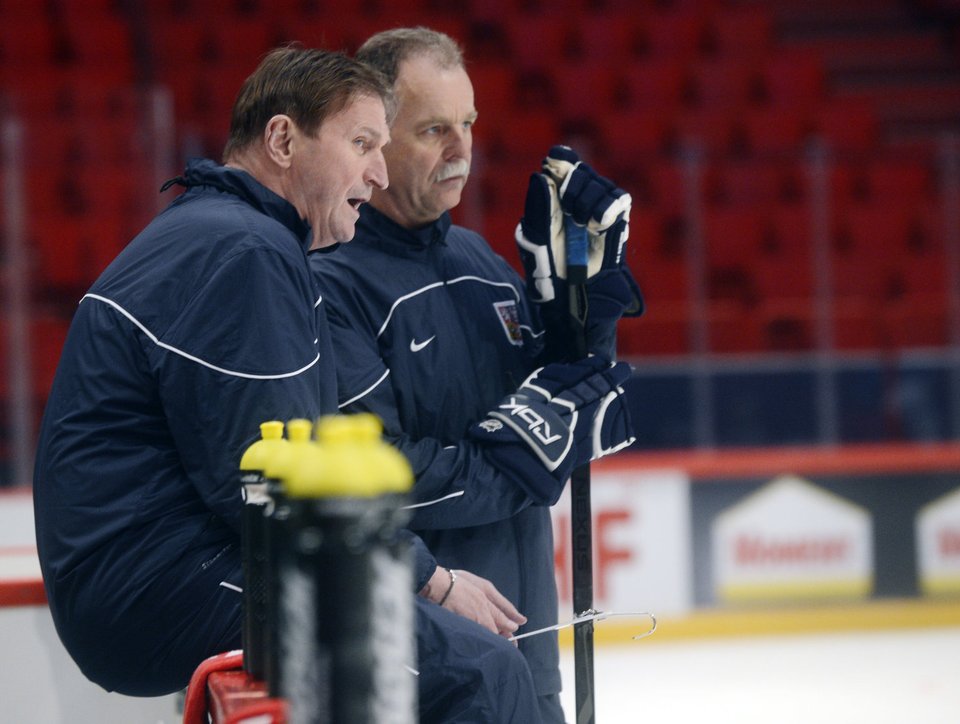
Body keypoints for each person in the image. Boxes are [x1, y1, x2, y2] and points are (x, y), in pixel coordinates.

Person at [33, 45, 543, 722]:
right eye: (362, 142)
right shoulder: (243, 250)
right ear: (282, 139)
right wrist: (430, 579)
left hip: (141, 582)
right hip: (157, 588)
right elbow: (269, 481)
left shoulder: (220, 234)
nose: (378, 171)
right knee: (480, 668)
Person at [310, 28, 642, 722]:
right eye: (435, 129)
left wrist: (587, 313)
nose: (463, 148)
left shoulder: (481, 264)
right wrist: (515, 468)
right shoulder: (331, 285)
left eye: (468, 124)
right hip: (424, 661)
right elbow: (375, 481)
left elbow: (558, 414)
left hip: (528, 638)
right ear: (374, 138)